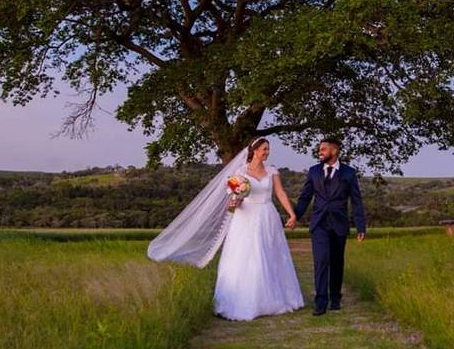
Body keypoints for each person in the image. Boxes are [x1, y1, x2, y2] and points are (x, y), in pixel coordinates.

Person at [146, 138, 304, 321]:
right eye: (264, 149)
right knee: (248, 255)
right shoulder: (240, 172)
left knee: (270, 254)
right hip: (247, 217)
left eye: (268, 149)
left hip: (268, 216)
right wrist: (235, 201)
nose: (267, 153)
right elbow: (235, 200)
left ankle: (274, 297)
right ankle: (246, 299)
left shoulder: (272, 171)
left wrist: (291, 214)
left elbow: (280, 193)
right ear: (254, 151)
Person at [293, 137, 367, 315]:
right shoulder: (314, 172)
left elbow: (356, 202)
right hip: (319, 224)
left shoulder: (349, 173)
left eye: (324, 149)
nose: (320, 152)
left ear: (335, 151)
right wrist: (295, 216)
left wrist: (360, 226)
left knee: (336, 262)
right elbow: (305, 197)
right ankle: (320, 302)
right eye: (320, 149)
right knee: (321, 261)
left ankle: (335, 297)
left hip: (339, 224)